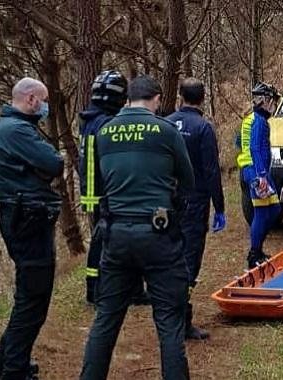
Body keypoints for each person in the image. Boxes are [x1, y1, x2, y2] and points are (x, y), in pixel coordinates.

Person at [79, 75, 195, 380]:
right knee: (169, 322)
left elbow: (98, 184)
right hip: (158, 234)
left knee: (106, 319)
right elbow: (188, 181)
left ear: (129, 99)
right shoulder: (166, 130)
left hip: (115, 235)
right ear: (156, 99)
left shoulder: (103, 132)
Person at [0, 77, 63, 380]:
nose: (45, 107)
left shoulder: (3, 127)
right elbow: (54, 163)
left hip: (19, 216)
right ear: (31, 99)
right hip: (28, 219)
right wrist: (48, 163)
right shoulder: (17, 130)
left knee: (27, 295)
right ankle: (14, 370)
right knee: (34, 299)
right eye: (43, 101)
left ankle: (6, 361)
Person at [165, 77, 225, 340]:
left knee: (170, 256)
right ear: (202, 98)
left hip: (168, 200)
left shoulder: (165, 123)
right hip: (194, 200)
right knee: (189, 260)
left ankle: (171, 314)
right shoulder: (203, 128)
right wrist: (219, 207)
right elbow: (211, 171)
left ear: (181, 96)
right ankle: (181, 319)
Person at [78, 70, 127, 306]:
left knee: (105, 239)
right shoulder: (104, 124)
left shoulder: (91, 120)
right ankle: (94, 292)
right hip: (102, 192)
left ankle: (108, 289)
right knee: (103, 240)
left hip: (94, 191)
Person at [236, 82, 282, 269]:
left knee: (275, 209)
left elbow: (238, 141)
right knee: (263, 212)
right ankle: (254, 253)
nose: (274, 105)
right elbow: (254, 147)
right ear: (264, 100)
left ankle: (258, 249)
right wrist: (261, 174)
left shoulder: (250, 119)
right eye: (273, 101)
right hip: (255, 171)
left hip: (257, 169)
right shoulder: (259, 121)